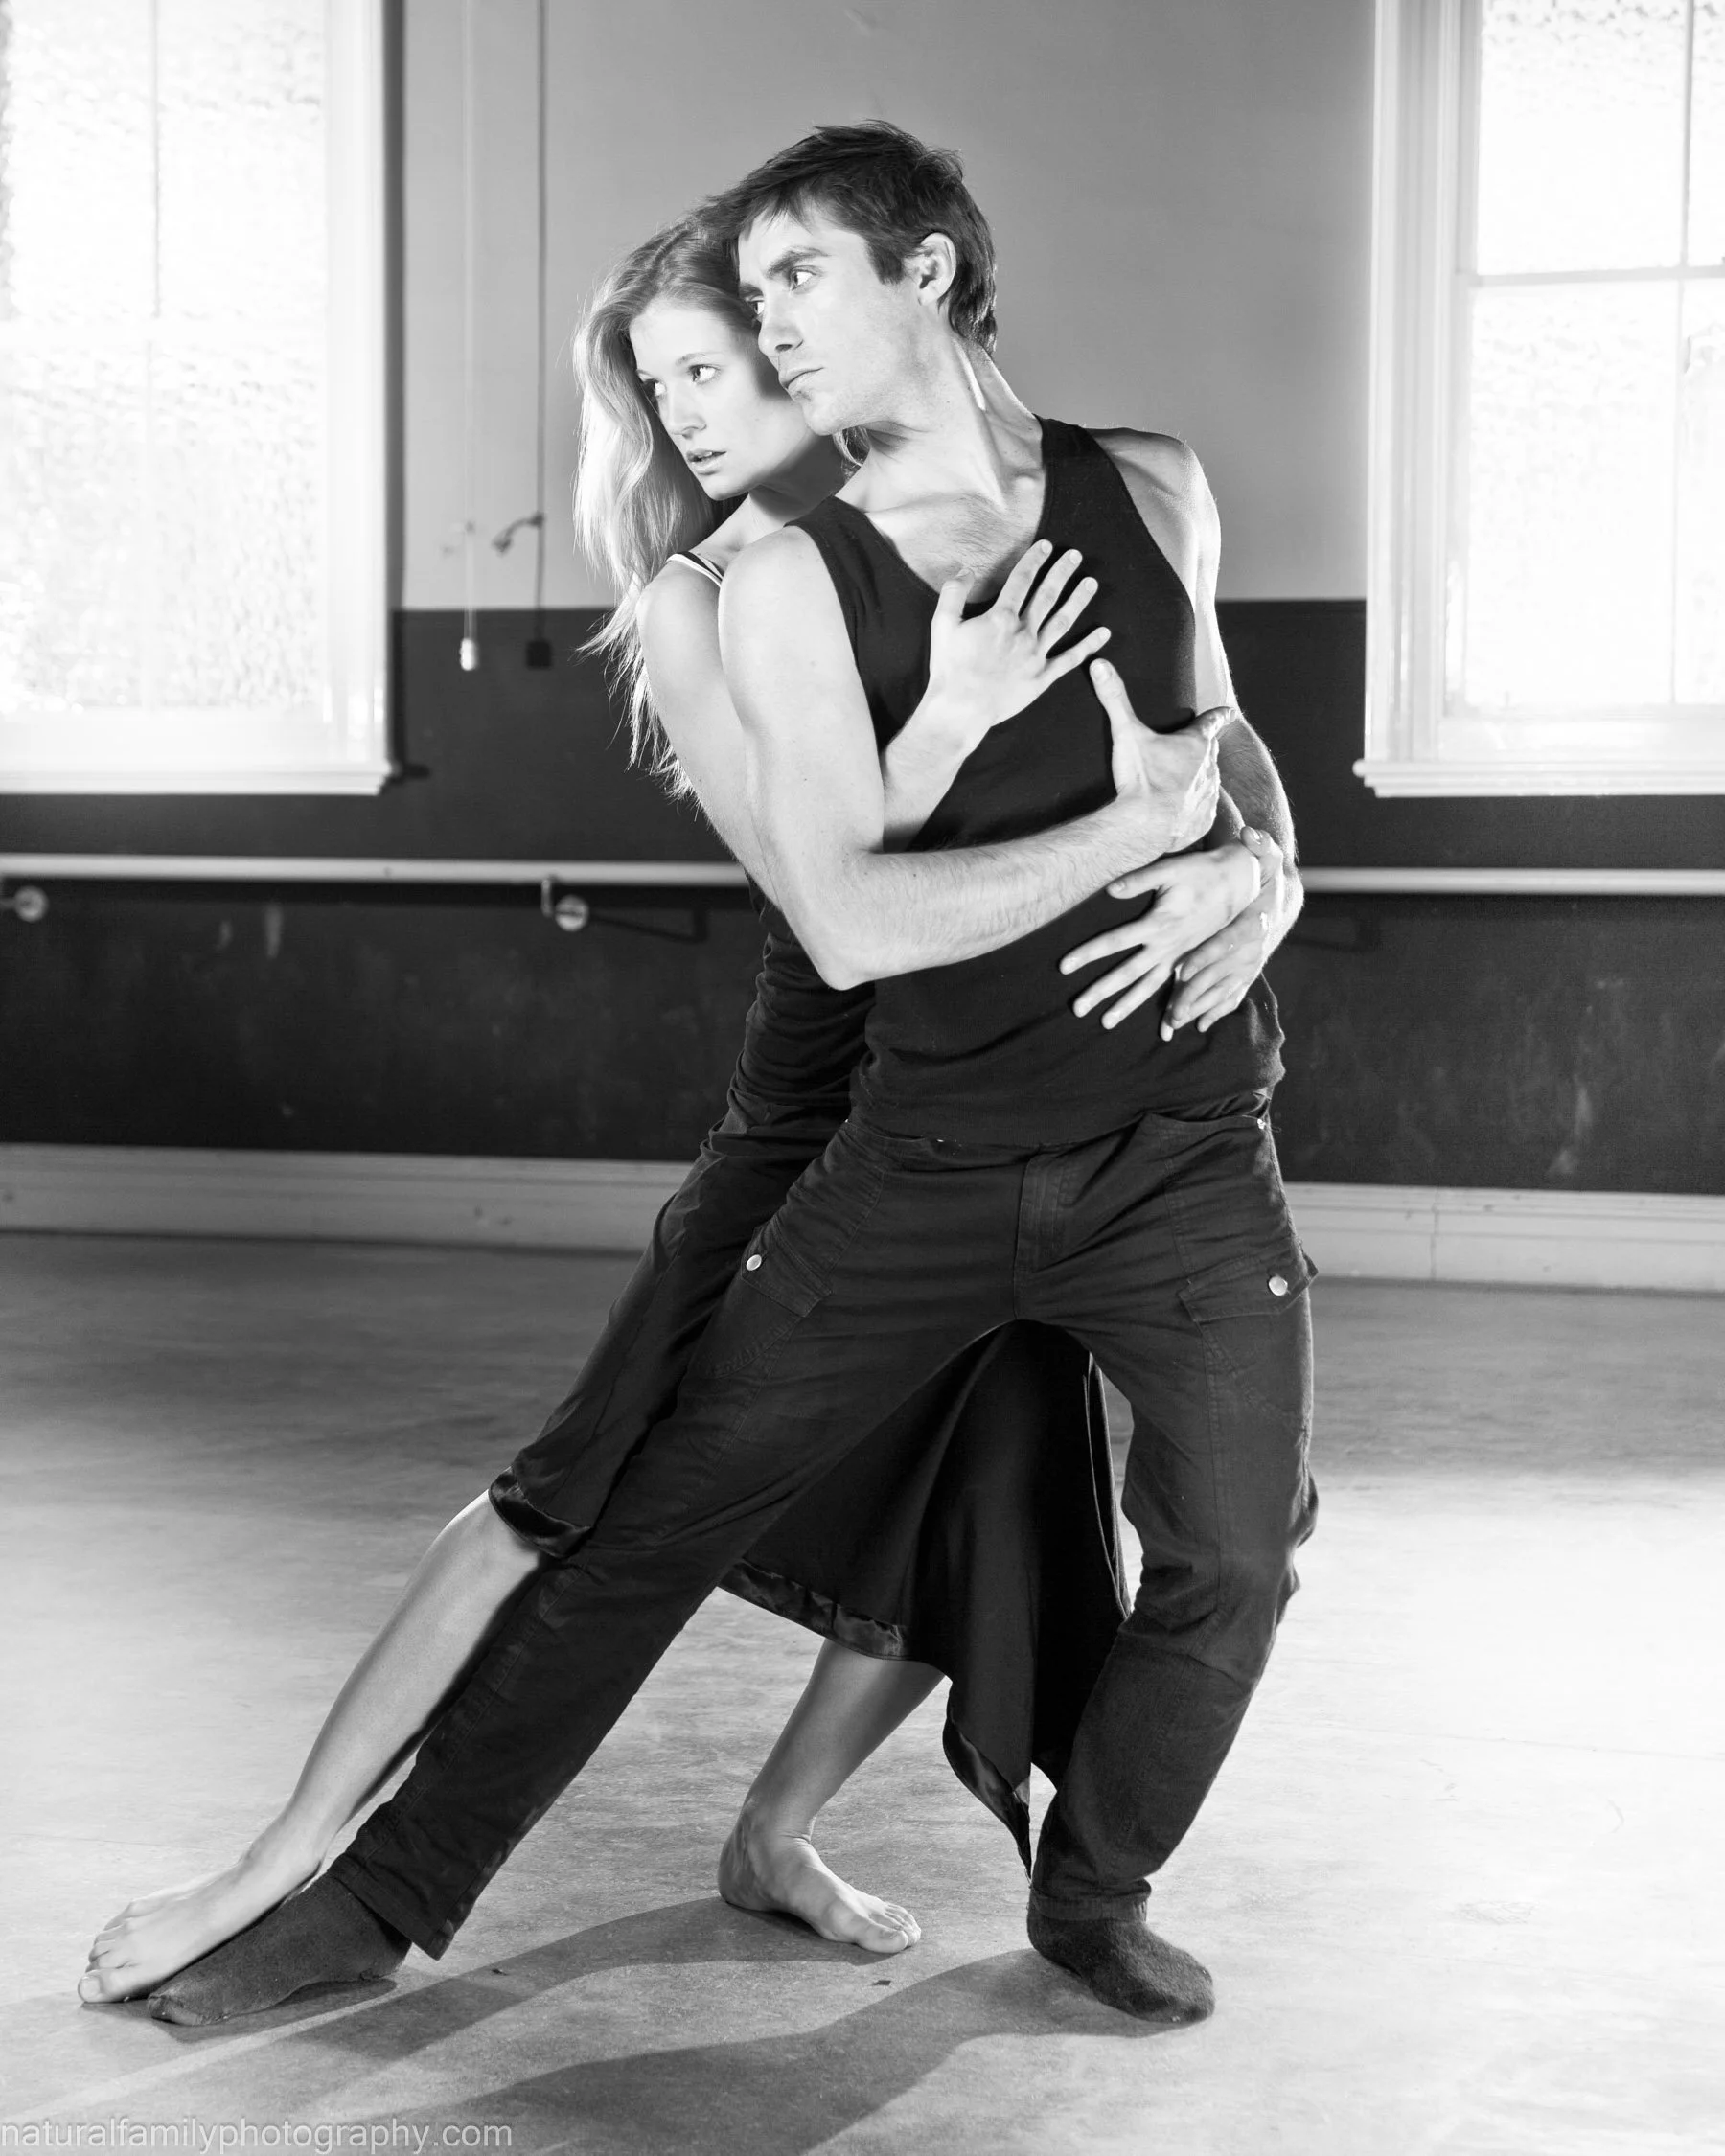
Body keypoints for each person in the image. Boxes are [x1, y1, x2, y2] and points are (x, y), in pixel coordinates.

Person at [79, 216, 1279, 2018]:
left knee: (982, 1500)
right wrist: (959, 729)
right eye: (669, 390)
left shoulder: (1033, 511)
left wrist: (1254, 863)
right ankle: (292, 1868)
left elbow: (1206, 738)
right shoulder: (720, 588)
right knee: (588, 1503)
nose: (703, 414)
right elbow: (840, 907)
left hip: (1025, 1104)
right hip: (835, 1108)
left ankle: (785, 1832)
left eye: (721, 364)